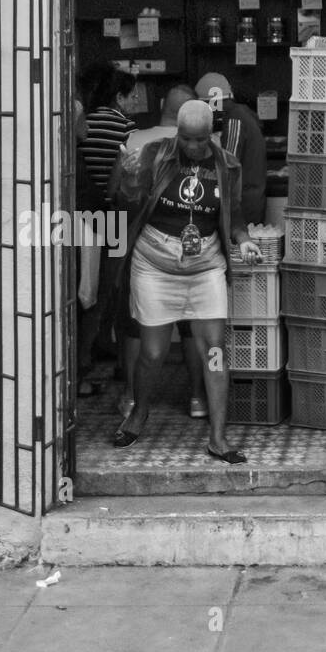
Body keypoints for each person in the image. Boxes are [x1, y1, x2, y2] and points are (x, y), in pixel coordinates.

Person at [107, 100, 264, 465]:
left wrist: (244, 240)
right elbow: (127, 202)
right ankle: (139, 411)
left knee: (214, 350)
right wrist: (131, 179)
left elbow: (234, 213)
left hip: (205, 265)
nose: (193, 147)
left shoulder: (227, 164)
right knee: (154, 353)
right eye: (186, 138)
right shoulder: (155, 154)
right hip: (154, 266)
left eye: (200, 139)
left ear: (211, 134)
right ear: (177, 132)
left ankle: (218, 437)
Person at [113, 84, 202, 421]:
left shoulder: (135, 139)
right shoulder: (206, 145)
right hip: (191, 247)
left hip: (143, 247)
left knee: (137, 325)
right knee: (192, 324)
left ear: (164, 104)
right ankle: (197, 398)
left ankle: (132, 398)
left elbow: (114, 193)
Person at [76, 63, 139, 397]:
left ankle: (84, 357)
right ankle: (89, 364)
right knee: (108, 293)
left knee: (83, 290)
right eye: (131, 97)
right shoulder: (123, 126)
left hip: (81, 216)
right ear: (119, 96)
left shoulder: (83, 121)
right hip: (111, 215)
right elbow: (123, 176)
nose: (133, 104)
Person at [194, 72, 267, 225]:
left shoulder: (235, 119)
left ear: (211, 103)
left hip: (242, 205)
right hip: (250, 200)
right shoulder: (243, 114)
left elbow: (228, 163)